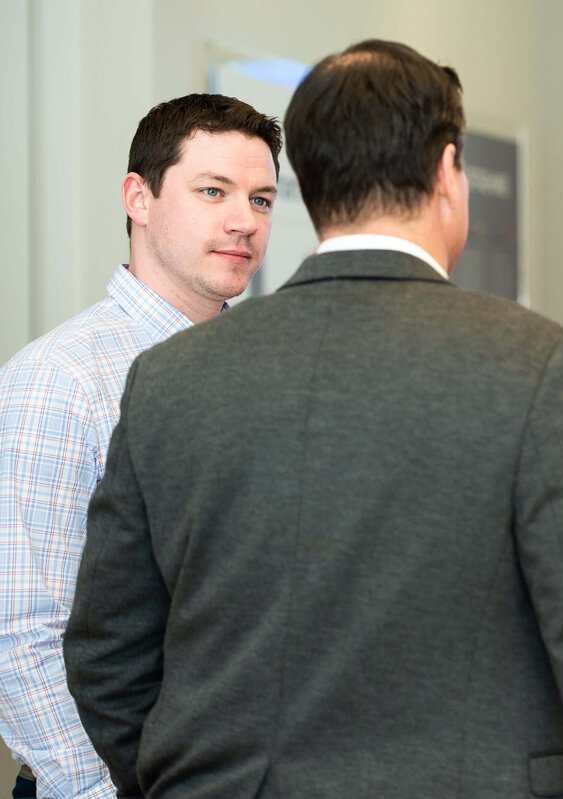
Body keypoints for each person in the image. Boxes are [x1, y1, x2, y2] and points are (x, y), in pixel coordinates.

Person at [63, 40, 563, 799]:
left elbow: (107, 652)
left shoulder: (170, 377)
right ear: (447, 172)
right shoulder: (532, 363)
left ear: (307, 183)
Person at [0, 94, 280, 798]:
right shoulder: (62, 378)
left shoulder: (266, 372)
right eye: (213, 190)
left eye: (263, 198)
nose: (243, 220)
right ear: (139, 198)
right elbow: (19, 632)